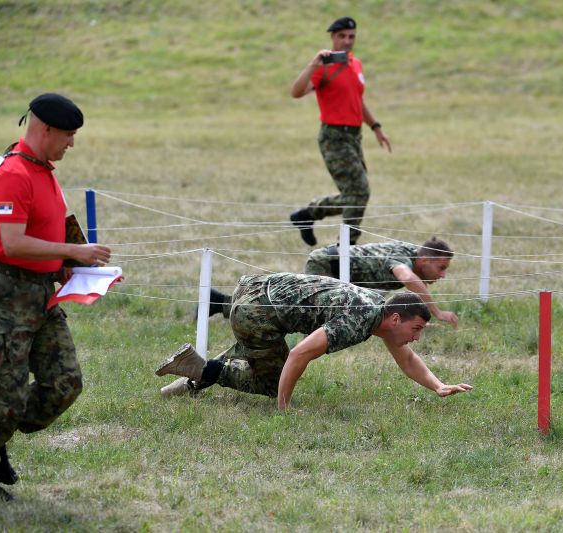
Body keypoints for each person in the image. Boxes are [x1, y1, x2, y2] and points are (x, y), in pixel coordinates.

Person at [0, 93, 112, 501]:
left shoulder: (44, 170)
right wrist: (73, 252)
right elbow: (11, 243)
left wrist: (79, 268)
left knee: (65, 383)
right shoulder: (13, 173)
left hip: (39, 292)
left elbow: (50, 228)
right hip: (2, 291)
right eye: (68, 135)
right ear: (45, 129)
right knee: (4, 390)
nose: (72, 144)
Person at [158, 273, 472, 408]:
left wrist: (438, 386)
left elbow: (406, 359)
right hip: (258, 311)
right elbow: (299, 354)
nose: (416, 338)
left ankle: (189, 381)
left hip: (253, 288)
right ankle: (199, 370)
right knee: (271, 380)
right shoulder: (360, 319)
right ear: (395, 320)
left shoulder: (381, 307)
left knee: (260, 354)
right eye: (416, 329)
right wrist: (284, 406)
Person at [289, 16, 391, 247]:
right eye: (341, 36)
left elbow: (357, 100)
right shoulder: (324, 68)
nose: (347, 41)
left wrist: (376, 126)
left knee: (356, 194)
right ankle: (345, 249)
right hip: (333, 137)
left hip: (354, 136)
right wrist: (313, 64)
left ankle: (307, 215)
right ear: (332, 38)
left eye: (351, 36)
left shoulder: (356, 64)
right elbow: (296, 92)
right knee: (359, 191)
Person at [206, 237, 459, 328]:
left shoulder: (414, 254)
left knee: (293, 308)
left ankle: (218, 303)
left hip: (336, 268)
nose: (443, 275)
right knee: (298, 313)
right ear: (425, 259)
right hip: (328, 265)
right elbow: (406, 278)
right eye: (441, 268)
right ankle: (224, 305)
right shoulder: (404, 258)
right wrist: (435, 312)